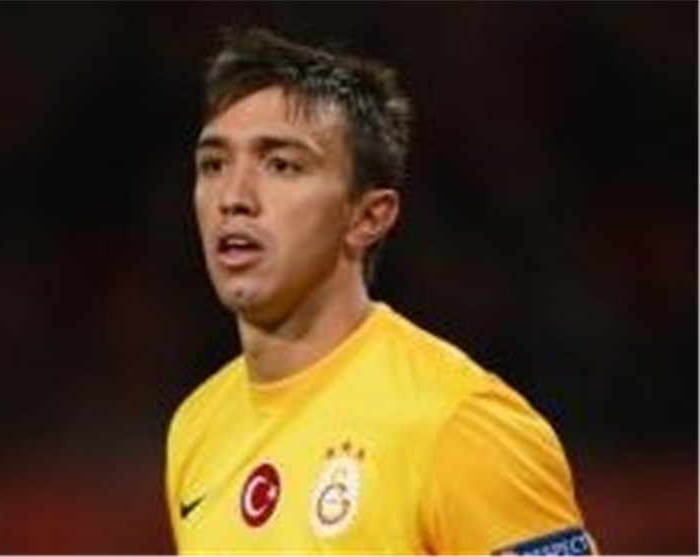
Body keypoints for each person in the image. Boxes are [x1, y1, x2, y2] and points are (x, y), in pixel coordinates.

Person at [165, 27, 594, 554]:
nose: (234, 197)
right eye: (214, 165)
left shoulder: (458, 423)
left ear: (368, 217)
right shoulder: (197, 426)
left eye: (282, 165)